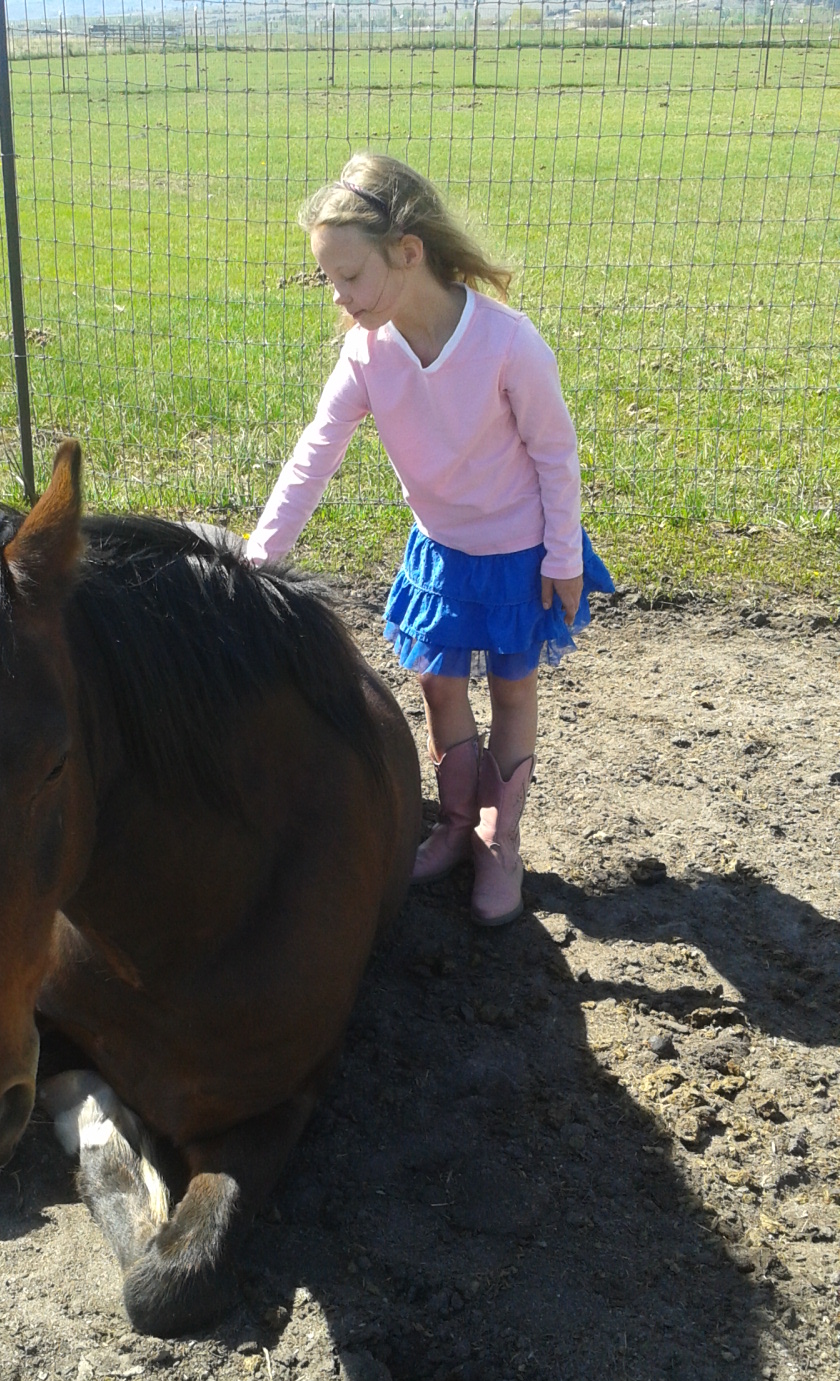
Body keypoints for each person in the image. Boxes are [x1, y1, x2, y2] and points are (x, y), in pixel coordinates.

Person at [244, 151, 613, 926]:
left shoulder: (508, 344)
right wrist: (258, 559)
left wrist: (562, 555)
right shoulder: (367, 352)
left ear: (408, 252)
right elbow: (315, 454)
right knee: (437, 686)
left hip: (520, 554)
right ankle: (453, 823)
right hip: (441, 550)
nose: (338, 297)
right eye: (328, 280)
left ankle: (498, 841)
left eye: (350, 276)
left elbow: (555, 453)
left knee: (512, 689)